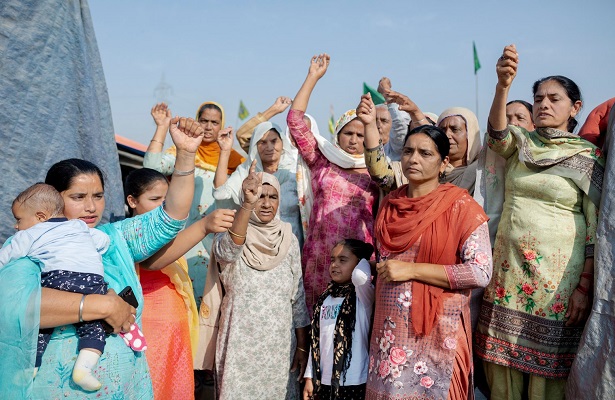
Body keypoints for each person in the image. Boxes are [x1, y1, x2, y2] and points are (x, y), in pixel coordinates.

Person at [0, 116, 205, 397]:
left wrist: (185, 155)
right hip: (59, 388)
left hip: (125, 385)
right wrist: (105, 306)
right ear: (53, 200)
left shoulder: (113, 238)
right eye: (78, 197)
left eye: (98, 196)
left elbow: (171, 217)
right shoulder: (34, 243)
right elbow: (18, 308)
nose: (91, 207)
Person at [475, 45, 604, 400]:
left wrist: (584, 286)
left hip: (559, 280)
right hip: (508, 271)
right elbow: (497, 136)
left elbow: (595, 228)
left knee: (548, 368)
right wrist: (502, 85)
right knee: (501, 362)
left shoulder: (586, 157)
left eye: (554, 99)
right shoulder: (522, 143)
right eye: (538, 98)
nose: (544, 104)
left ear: (575, 108)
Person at [364, 121, 492, 399]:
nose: (413, 159)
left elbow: (480, 272)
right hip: (390, 333)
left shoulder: (461, 206)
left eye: (426, 153)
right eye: (408, 151)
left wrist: (412, 270)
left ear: (444, 163)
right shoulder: (390, 205)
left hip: (438, 334)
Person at [124, 168, 233, 399]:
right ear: (132, 201)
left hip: (175, 328)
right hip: (148, 330)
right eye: (154, 200)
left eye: (167, 200)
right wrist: (204, 226)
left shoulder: (169, 233)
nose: (163, 206)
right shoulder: (129, 234)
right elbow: (152, 262)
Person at [287, 54, 379, 311]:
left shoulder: (377, 172)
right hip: (320, 257)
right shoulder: (322, 161)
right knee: (317, 319)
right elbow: (295, 122)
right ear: (337, 135)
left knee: (355, 324)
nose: (354, 139)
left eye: (361, 135)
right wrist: (312, 77)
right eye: (348, 133)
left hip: (360, 261)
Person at [209, 166, 310, 399]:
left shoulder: (289, 239)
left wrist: (302, 347)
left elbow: (298, 299)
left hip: (280, 347)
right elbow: (228, 252)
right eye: (259, 196)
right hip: (240, 345)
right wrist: (246, 204)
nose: (265, 203)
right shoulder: (228, 234)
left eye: (272, 197)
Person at [0, 183, 112, 392]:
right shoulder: (78, 226)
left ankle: (31, 367)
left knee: (41, 326)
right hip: (92, 280)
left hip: (58, 279)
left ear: (40, 216)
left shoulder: (29, 234)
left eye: (19, 219)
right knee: (94, 325)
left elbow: (7, 256)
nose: (16, 226)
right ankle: (84, 369)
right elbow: (103, 240)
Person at [143, 102, 245, 308]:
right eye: (203, 121)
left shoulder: (233, 159)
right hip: (183, 237)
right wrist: (162, 127)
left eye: (214, 122)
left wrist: (224, 152)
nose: (208, 127)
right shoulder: (184, 150)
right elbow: (152, 167)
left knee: (212, 303)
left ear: (221, 125)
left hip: (216, 240)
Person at [303, 239, 375, 400]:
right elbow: (316, 342)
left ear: (358, 264)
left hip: (355, 381)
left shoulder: (363, 296)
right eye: (332, 260)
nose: (335, 265)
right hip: (324, 381)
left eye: (343, 260)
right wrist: (309, 377)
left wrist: (367, 262)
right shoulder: (325, 299)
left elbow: (360, 276)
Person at [213, 121, 303, 246]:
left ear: (283, 142)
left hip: (291, 244)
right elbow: (220, 193)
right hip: (255, 246)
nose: (270, 147)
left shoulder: (295, 172)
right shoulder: (246, 172)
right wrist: (224, 151)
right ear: (255, 145)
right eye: (263, 142)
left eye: (274, 141)